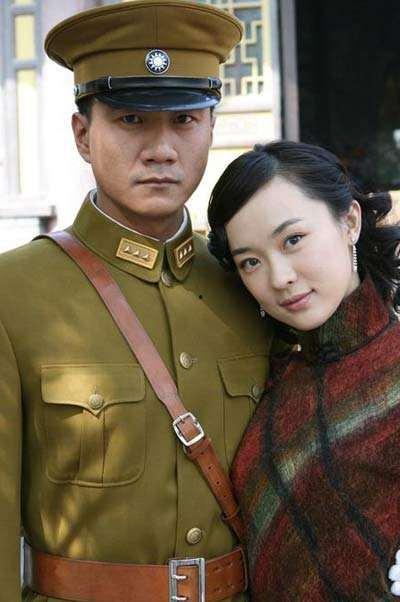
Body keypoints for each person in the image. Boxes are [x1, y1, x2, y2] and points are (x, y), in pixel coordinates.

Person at [0, 2, 274, 600]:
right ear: (82, 134)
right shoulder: (12, 295)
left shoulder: (250, 284)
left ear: (211, 127)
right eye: (130, 119)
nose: (161, 149)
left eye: (184, 120)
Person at [207, 140, 400, 601]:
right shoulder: (269, 378)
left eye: (293, 240)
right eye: (250, 261)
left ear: (349, 221)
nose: (279, 278)